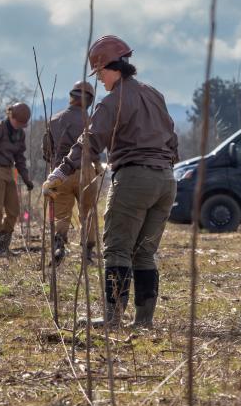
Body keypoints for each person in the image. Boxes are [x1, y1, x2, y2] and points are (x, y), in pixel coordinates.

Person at [43, 35, 179, 327]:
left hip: (134, 178)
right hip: (167, 180)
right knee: (145, 251)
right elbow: (172, 135)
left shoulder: (114, 100)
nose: (100, 80)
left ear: (109, 67)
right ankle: (144, 321)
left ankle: (112, 318)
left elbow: (92, 139)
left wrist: (62, 170)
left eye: (99, 73)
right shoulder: (154, 94)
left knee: (117, 247)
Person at [42, 81, 101, 265]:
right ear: (90, 100)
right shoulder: (91, 121)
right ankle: (88, 255)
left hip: (61, 173)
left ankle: (59, 246)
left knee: (61, 214)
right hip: (86, 172)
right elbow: (96, 147)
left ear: (71, 96)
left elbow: (46, 150)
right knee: (88, 212)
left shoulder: (54, 120)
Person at [0, 102, 34, 258]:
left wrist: (26, 177)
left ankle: (4, 246)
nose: (19, 126)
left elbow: (20, 158)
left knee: (13, 211)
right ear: (11, 115)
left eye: (22, 124)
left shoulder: (20, 134)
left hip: (9, 171)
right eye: (18, 122)